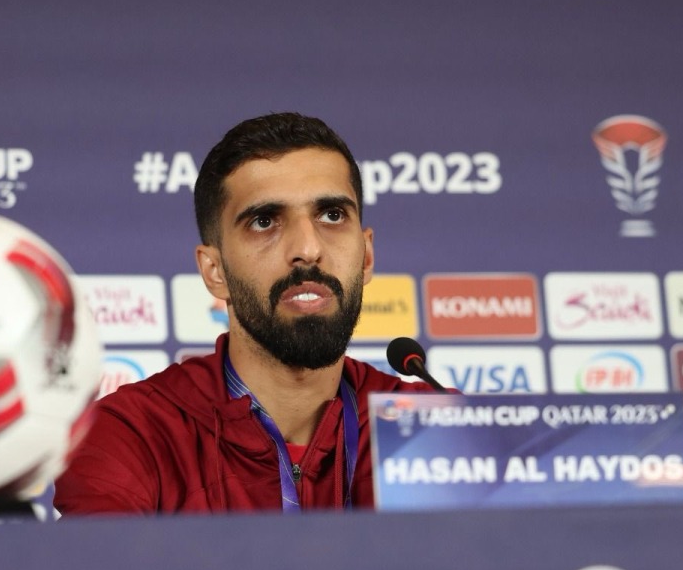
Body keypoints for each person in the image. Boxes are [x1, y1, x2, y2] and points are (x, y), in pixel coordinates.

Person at [54, 112, 432, 514]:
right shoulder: (133, 434)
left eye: (332, 215)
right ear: (214, 272)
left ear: (367, 255)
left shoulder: (433, 426)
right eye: (265, 221)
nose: (308, 248)